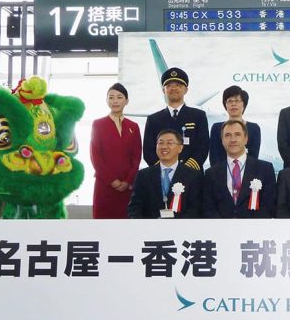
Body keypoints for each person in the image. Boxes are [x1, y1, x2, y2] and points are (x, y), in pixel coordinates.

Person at [204, 119, 276, 218]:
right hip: (220, 230)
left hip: (255, 230)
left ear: (246, 139)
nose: (233, 139)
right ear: (222, 140)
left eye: (237, 134)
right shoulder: (211, 173)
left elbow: (268, 206)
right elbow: (208, 208)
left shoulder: (265, 169)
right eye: (227, 135)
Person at [90, 83, 142, 219]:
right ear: (106, 101)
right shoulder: (98, 124)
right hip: (104, 185)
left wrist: (127, 181)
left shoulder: (134, 127)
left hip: (127, 187)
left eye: (119, 97)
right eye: (111, 97)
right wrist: (112, 180)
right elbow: (95, 157)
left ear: (126, 101)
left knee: (126, 224)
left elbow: (136, 157)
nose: (115, 101)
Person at [142, 67, 209, 170]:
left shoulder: (198, 116)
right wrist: (166, 168)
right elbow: (148, 150)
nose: (173, 88)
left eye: (178, 85)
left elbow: (203, 147)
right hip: (162, 174)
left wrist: (185, 170)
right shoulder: (153, 119)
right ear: (163, 90)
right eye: (169, 86)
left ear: (186, 90)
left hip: (191, 175)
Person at [128, 129, 202, 218]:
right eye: (161, 143)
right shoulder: (143, 175)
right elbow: (134, 208)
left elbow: (195, 209)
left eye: (170, 143)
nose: (164, 146)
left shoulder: (193, 176)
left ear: (180, 148)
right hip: (150, 229)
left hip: (182, 229)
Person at [209, 85, 261, 166]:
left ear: (244, 104)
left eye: (237, 101)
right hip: (221, 173)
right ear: (225, 105)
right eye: (229, 101)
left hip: (247, 173)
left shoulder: (254, 128)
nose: (233, 104)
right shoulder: (216, 128)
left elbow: (254, 156)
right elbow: (214, 156)